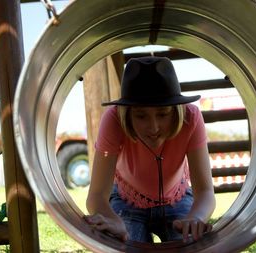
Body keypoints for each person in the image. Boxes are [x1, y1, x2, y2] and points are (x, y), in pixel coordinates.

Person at [84, 56, 216, 243]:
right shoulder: (113, 119)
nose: (153, 127)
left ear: (176, 109)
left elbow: (205, 192)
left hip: (176, 198)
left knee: (189, 245)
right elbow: (96, 195)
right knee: (126, 245)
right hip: (127, 199)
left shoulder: (190, 117)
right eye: (141, 116)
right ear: (127, 113)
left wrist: (196, 218)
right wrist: (113, 220)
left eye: (163, 114)